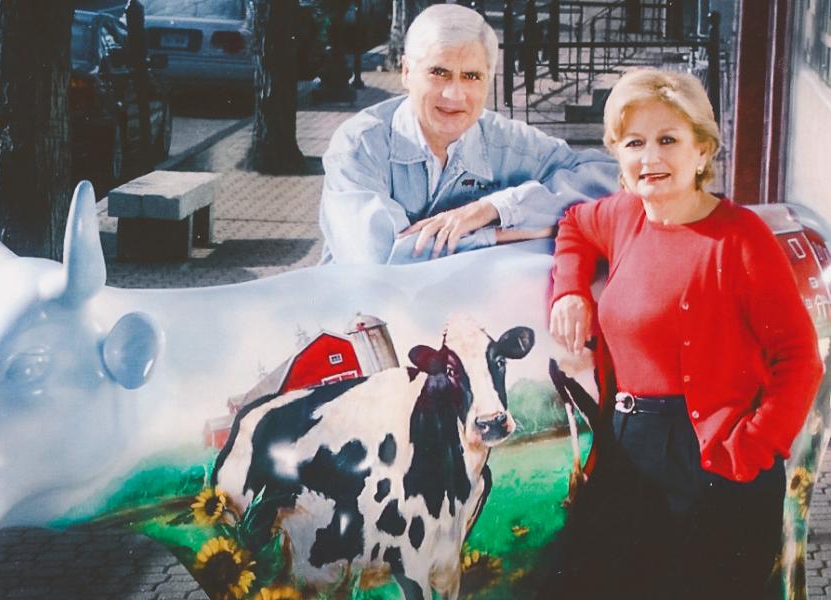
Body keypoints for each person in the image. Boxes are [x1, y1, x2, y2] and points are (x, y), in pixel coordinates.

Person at [545, 68, 823, 599]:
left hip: (716, 462)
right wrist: (570, 289)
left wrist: (755, 448)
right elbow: (575, 225)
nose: (650, 158)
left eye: (668, 140)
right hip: (627, 451)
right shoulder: (622, 217)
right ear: (618, 157)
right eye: (635, 143)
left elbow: (799, 359)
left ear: (702, 151)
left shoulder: (742, 239)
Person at [318, 4, 618, 265]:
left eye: (471, 76)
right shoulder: (360, 145)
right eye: (439, 72)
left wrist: (495, 208)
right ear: (406, 72)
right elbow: (382, 259)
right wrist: (497, 235)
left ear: (489, 80)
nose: (454, 94)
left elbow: (612, 179)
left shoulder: (508, 141)